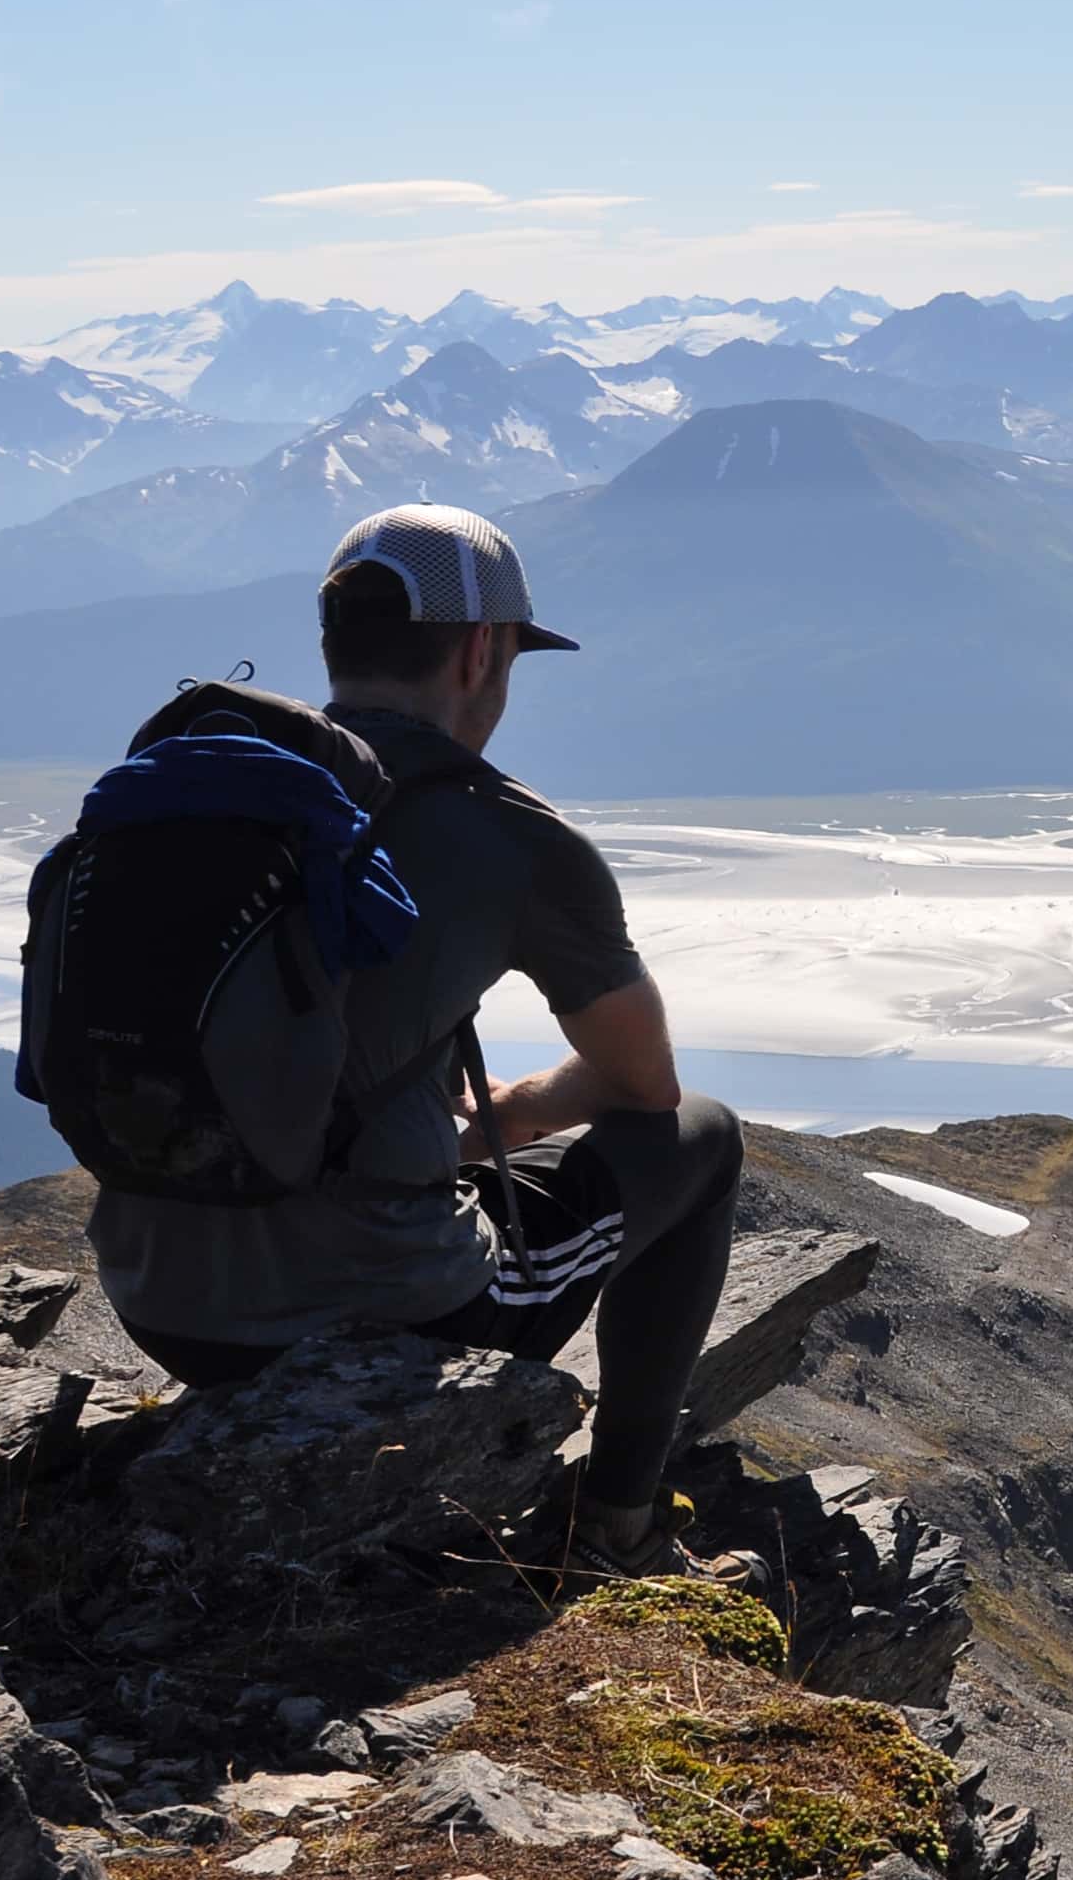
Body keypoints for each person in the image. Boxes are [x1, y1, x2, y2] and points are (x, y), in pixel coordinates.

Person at [83, 503, 738, 1567]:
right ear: (481, 650)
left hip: (157, 1296)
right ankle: (614, 1520)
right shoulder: (510, 833)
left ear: (337, 643)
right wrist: (503, 1121)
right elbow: (643, 1082)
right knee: (705, 1139)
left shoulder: (206, 785)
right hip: (385, 1313)